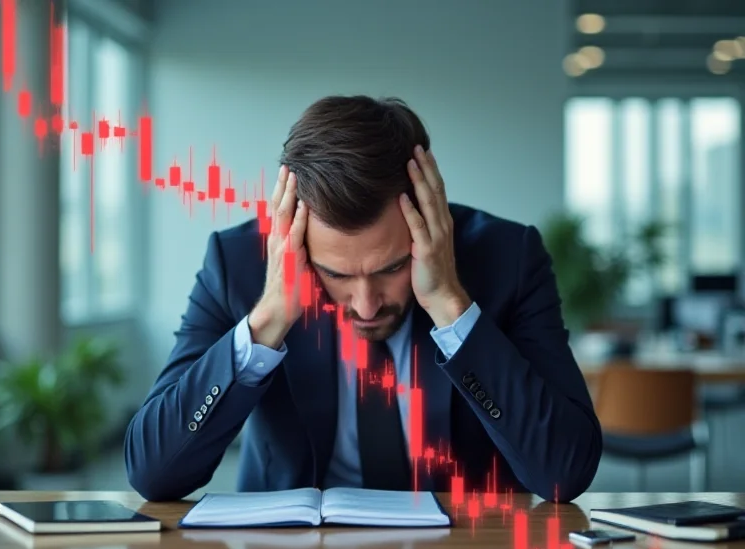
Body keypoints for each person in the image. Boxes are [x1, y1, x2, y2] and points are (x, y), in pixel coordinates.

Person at [124, 95, 602, 503]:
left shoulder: (507, 261)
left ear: (427, 214)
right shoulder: (239, 267)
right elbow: (153, 473)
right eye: (336, 274)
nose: (367, 304)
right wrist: (267, 319)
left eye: (392, 268)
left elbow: (565, 472)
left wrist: (452, 308)